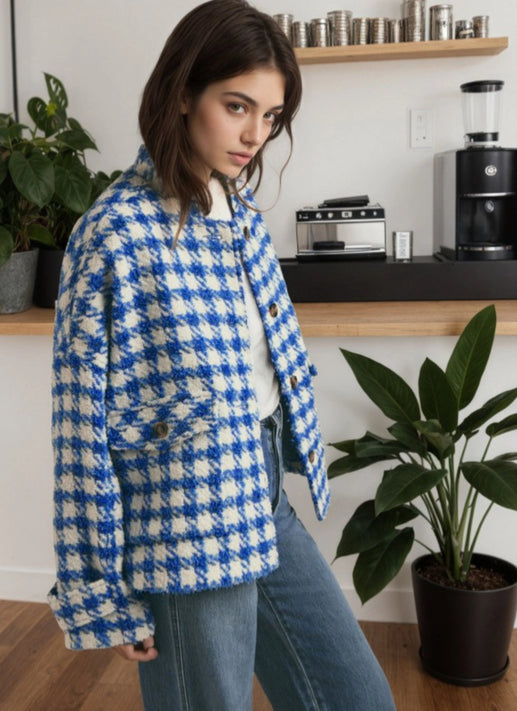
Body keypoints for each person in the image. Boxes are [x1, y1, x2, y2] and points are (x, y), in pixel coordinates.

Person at [48, 1, 397, 709]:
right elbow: (78, 428)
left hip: (262, 492)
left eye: (270, 115)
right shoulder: (114, 233)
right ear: (182, 93)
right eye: (237, 106)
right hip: (182, 523)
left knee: (358, 697)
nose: (254, 134)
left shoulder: (237, 209)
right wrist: (100, 590)